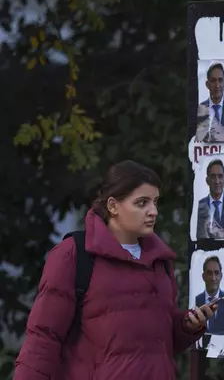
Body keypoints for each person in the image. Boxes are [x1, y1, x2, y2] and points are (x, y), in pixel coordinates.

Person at [14, 160, 213, 380]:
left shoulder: (160, 260)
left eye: (155, 202)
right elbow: (43, 337)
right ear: (113, 205)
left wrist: (186, 326)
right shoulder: (74, 254)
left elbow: (158, 344)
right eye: (141, 203)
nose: (153, 211)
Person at [195, 256, 224, 346]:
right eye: (209, 273)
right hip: (201, 353)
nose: (213, 278)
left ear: (221, 276)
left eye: (216, 273)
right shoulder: (196, 300)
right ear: (203, 277)